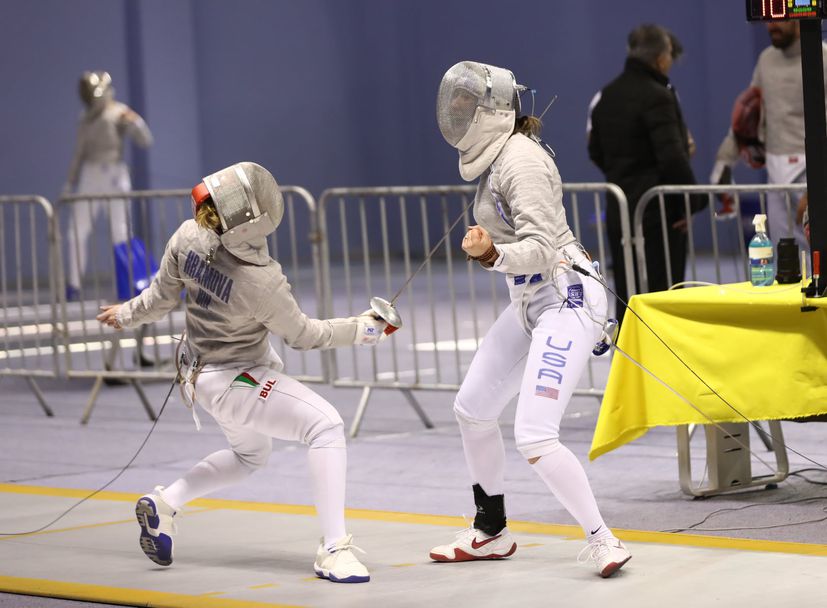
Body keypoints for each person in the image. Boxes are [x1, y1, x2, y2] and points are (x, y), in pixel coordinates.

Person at [97, 162, 391, 583]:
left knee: (249, 457)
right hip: (237, 381)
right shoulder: (260, 281)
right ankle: (333, 549)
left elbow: (160, 297)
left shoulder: (188, 235)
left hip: (197, 378)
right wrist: (363, 329)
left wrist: (125, 314)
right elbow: (304, 335)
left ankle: (164, 504)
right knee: (325, 426)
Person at [429, 61, 631, 578]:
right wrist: (495, 254)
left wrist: (493, 254)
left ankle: (603, 540)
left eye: (466, 105)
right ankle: (491, 531)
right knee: (472, 409)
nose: (457, 112)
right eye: (455, 104)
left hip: (566, 297)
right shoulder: (499, 157)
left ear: (492, 110)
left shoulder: (521, 162)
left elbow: (542, 247)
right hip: (530, 300)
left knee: (535, 434)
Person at [588, 24, 703, 325]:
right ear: (662, 58)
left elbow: (595, 150)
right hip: (659, 214)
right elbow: (673, 158)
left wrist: (622, 176)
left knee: (627, 291)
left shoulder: (606, 96)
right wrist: (689, 203)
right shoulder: (659, 96)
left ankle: (629, 353)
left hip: (621, 210)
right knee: (664, 294)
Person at [711, 20, 827, 253]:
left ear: (798, 18)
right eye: (769, 20)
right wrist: (723, 164)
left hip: (813, 169)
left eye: (779, 18)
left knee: (821, 252)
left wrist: (816, 188)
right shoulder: (766, 60)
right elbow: (748, 116)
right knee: (784, 256)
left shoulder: (822, 58)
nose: (771, 25)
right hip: (776, 174)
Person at [64, 71, 153, 300]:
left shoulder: (118, 112)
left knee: (121, 232)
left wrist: (135, 122)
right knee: (76, 231)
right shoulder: (85, 117)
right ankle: (73, 285)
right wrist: (70, 182)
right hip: (90, 175)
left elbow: (145, 140)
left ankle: (130, 283)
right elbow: (79, 151)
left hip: (114, 175)